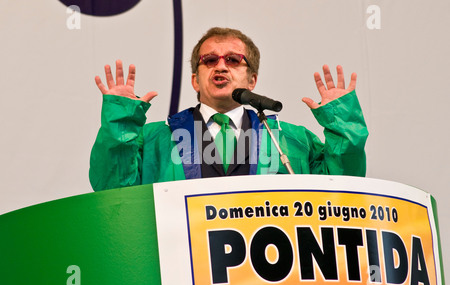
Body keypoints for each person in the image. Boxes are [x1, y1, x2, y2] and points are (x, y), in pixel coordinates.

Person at [89, 27, 368, 191]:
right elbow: (113, 191)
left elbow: (341, 188)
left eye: (234, 60)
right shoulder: (153, 140)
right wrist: (121, 121)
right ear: (195, 80)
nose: (221, 66)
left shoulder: (289, 140)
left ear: (253, 79)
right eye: (209, 60)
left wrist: (340, 121)